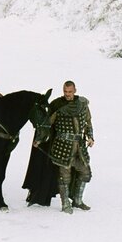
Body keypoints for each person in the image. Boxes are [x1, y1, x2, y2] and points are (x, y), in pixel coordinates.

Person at [48, 81, 94, 214]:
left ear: (75, 91)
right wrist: (40, 138)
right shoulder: (57, 105)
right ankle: (65, 204)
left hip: (79, 146)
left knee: (86, 173)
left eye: (70, 92)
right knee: (64, 177)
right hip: (63, 146)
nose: (67, 94)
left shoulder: (82, 104)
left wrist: (90, 137)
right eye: (65, 91)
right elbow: (47, 124)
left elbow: (88, 122)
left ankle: (77, 200)